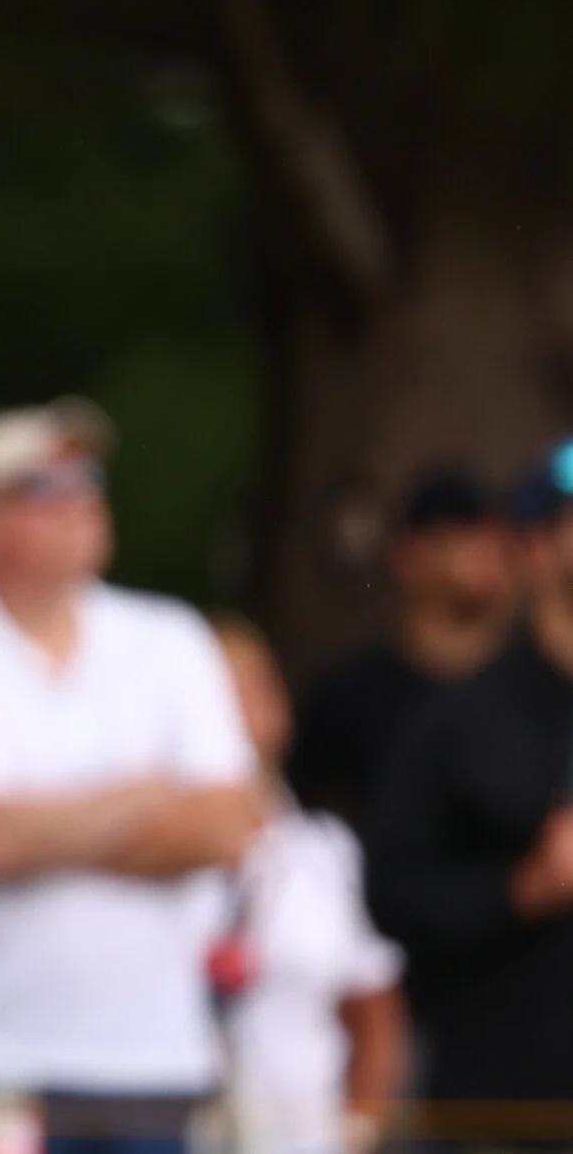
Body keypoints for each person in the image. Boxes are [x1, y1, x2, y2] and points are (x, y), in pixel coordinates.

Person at [0, 399, 263, 1154]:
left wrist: (45, 827)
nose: (84, 498)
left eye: (90, 479)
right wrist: (146, 796)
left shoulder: (171, 638)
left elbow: (229, 828)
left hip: (156, 1067)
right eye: (50, 484)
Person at [363, 439, 573, 1105]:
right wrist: (519, 890)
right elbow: (386, 894)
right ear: (536, 549)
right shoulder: (459, 718)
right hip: (505, 1103)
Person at [207, 619, 405, 1154]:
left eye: (252, 688)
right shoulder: (130, 863)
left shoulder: (322, 853)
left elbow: (376, 1020)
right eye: (209, 689)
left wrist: (356, 1135)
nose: (234, 709)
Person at [286, 465, 515, 825]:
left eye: (499, 535)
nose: (487, 548)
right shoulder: (349, 698)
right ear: (407, 557)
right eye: (461, 533)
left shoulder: (538, 693)